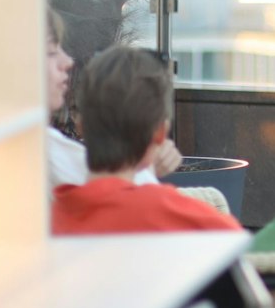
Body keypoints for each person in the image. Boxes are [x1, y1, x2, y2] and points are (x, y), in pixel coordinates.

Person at [52, 46, 242, 235]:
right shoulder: (179, 215)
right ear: (160, 134)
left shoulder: (46, 217)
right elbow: (235, 246)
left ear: (81, 126)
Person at [45, 11, 180, 188]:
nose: (68, 61)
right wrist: (143, 165)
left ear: (82, 125)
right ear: (160, 131)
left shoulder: (46, 148)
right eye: (51, 52)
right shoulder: (44, 156)